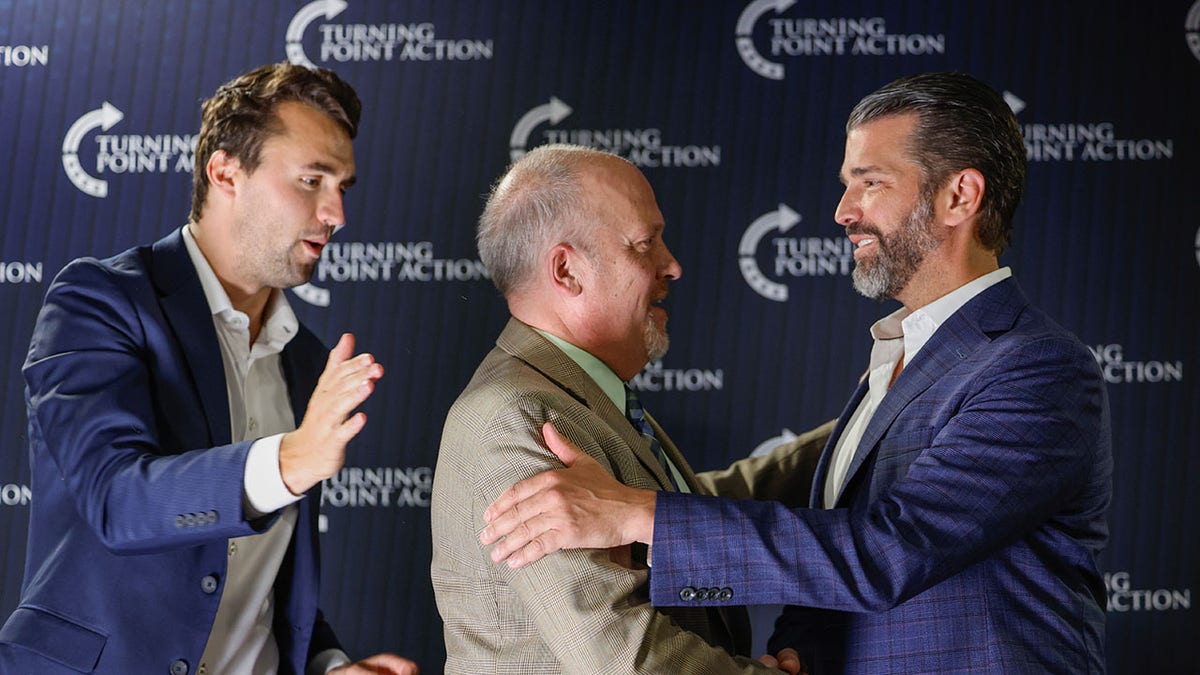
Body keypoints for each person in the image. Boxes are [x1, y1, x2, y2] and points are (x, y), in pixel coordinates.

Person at [479, 72, 1113, 673]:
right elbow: (838, 556)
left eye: (870, 183)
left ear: (959, 196)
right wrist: (800, 651)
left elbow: (889, 552)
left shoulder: (1035, 368)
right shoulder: (903, 358)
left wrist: (639, 514)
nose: (842, 210)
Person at [0, 63, 417, 675]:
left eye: (343, 187)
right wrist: (289, 460)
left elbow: (257, 584)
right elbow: (117, 499)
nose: (336, 214)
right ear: (225, 172)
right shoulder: (98, 301)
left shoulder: (305, 360)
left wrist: (329, 665)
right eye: (311, 180)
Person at [432, 144, 830, 673]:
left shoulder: (569, 391)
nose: (673, 264)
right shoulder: (519, 417)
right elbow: (624, 658)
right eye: (645, 245)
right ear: (567, 270)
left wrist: (863, 426)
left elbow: (681, 506)